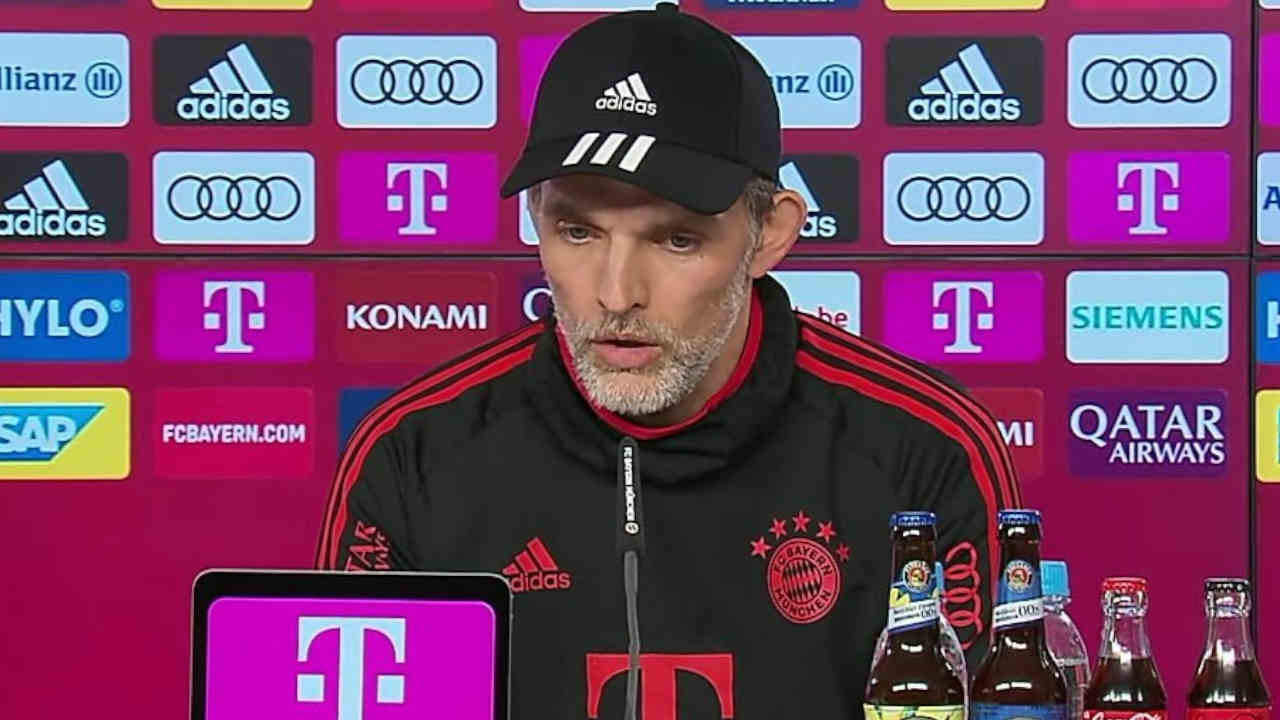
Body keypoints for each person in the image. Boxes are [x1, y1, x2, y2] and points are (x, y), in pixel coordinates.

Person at [316, 3, 1020, 716]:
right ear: (534, 216)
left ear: (770, 234)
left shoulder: (924, 451)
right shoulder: (413, 454)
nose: (617, 294)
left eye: (676, 240)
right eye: (577, 231)